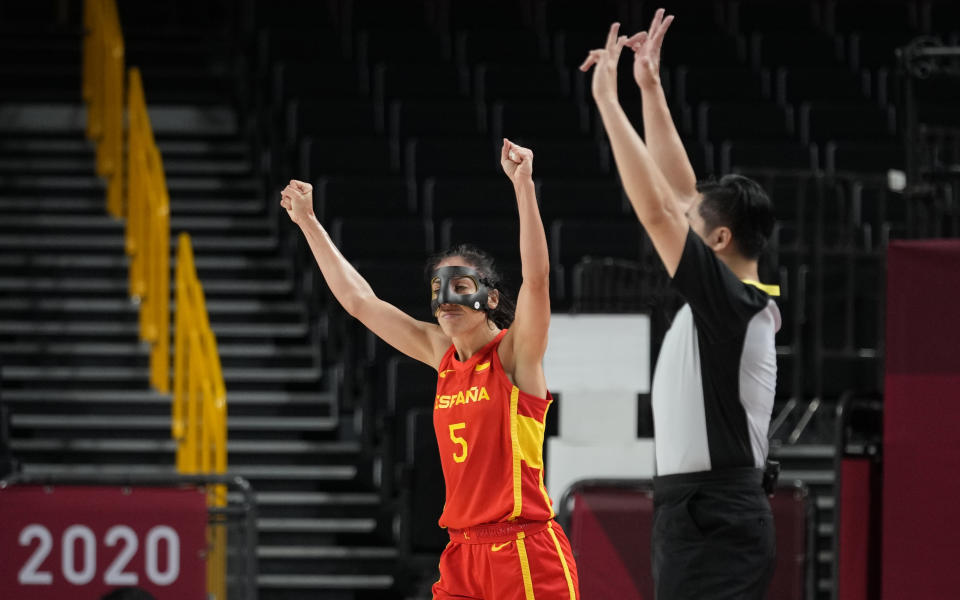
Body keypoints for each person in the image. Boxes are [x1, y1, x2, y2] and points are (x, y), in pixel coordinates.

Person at [280, 138, 580, 600]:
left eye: (461, 286)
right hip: (461, 553)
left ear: (490, 300)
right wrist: (308, 223)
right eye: (440, 288)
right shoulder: (438, 354)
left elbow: (536, 279)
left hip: (522, 549)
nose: (447, 299)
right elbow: (361, 303)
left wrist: (523, 186)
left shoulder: (514, 355)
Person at [580, 9, 780, 600]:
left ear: (719, 239)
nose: (685, 218)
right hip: (699, 510)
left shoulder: (733, 302)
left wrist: (608, 104)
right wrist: (648, 86)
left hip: (715, 513)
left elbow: (660, 210)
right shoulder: (735, 294)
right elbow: (679, 195)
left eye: (698, 223)